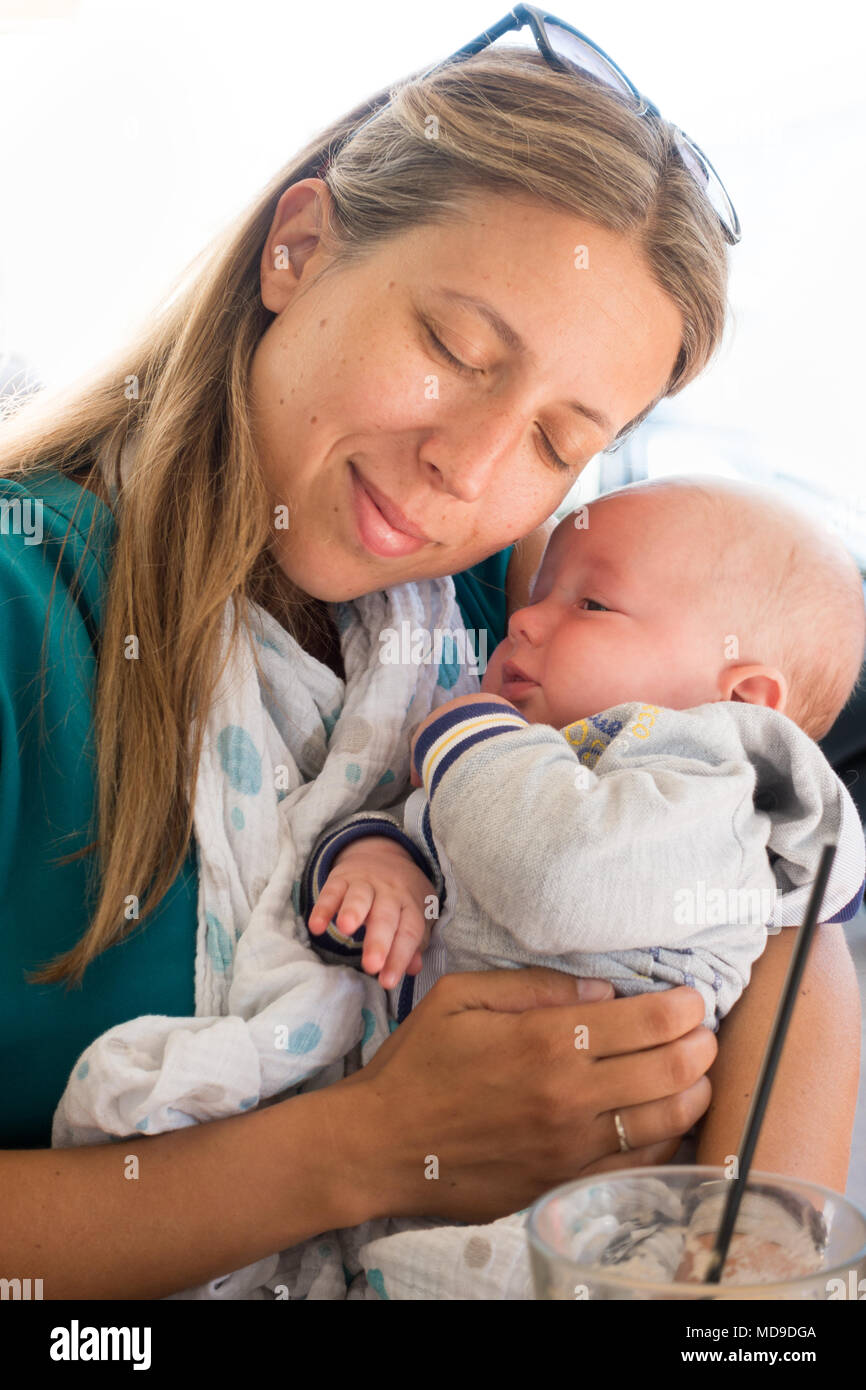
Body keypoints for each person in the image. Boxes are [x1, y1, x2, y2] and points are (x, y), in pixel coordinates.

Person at [0, 31, 859, 1300]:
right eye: (455, 351)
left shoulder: (499, 617)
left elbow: (782, 889)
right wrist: (375, 1149)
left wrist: (737, 1268)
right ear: (298, 246)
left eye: (559, 441)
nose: (472, 468)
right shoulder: (29, 617)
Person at [306, 475, 866, 1029]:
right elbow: (443, 846)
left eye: (592, 604)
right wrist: (377, 858)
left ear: (742, 701)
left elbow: (555, 880)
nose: (521, 620)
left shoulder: (711, 808)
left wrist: (464, 738)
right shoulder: (534, 762)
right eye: (535, 597)